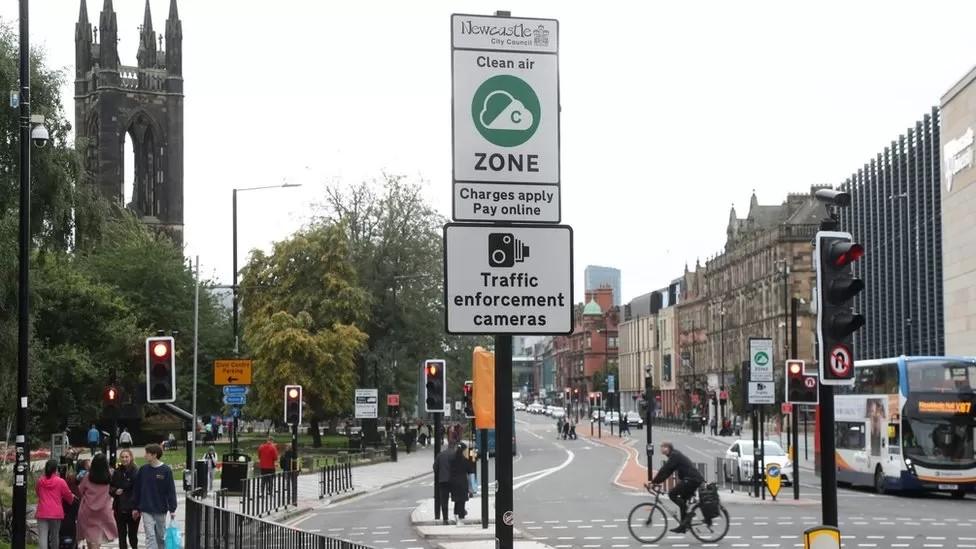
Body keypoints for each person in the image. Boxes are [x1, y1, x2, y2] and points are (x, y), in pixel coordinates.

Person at [649, 441, 705, 533]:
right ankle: (684, 525)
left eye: (662, 447)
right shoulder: (674, 455)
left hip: (692, 479)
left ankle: (688, 517)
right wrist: (656, 482)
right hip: (692, 479)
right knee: (683, 500)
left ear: (668, 448)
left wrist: (653, 482)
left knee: (672, 494)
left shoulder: (675, 455)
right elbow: (668, 472)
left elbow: (665, 469)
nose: (661, 449)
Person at [132, 443, 177, 549]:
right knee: (150, 536)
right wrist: (135, 507)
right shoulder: (143, 470)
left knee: (161, 536)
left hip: (160, 508)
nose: (144, 456)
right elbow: (137, 489)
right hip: (146, 508)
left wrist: (172, 508)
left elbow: (170, 490)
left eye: (147, 453)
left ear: (154, 455)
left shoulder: (166, 470)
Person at [77, 453, 119, 549]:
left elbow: (80, 490)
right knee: (98, 536)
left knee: (89, 535)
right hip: (104, 510)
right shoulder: (110, 475)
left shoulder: (88, 477)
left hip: (87, 510)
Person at [36, 458, 75, 549]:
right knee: (54, 535)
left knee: (42, 536)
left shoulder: (40, 481)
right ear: (56, 469)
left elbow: (38, 493)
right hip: (56, 513)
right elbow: (68, 495)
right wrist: (72, 500)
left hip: (42, 511)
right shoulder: (60, 481)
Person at [110, 449, 139, 549]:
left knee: (132, 535)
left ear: (131, 457)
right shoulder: (117, 471)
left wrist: (137, 508)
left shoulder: (136, 471)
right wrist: (114, 491)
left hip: (132, 508)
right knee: (122, 535)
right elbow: (111, 486)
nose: (124, 459)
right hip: (119, 507)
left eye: (126, 457)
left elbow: (137, 489)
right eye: (122, 457)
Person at [433, 441, 455, 525]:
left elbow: (435, 467)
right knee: (458, 498)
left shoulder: (440, 455)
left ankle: (445, 518)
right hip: (453, 480)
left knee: (444, 500)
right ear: (454, 447)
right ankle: (459, 514)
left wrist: (439, 475)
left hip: (443, 480)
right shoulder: (455, 454)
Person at [450, 442, 470, 524]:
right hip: (462, 482)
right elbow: (470, 471)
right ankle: (461, 516)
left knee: (456, 500)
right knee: (462, 500)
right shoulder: (465, 460)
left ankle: (455, 514)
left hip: (454, 482)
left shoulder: (452, 459)